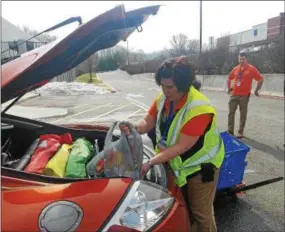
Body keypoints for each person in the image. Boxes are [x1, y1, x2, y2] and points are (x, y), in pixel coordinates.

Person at [121, 57, 225, 232]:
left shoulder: (199, 109)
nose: (165, 91)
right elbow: (148, 121)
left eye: (170, 87)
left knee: (201, 214)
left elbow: (181, 147)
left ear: (184, 85)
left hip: (200, 168)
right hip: (177, 164)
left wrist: (151, 162)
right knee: (181, 208)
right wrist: (133, 128)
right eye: (162, 86)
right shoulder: (163, 98)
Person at [227, 52, 264, 138]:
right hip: (234, 94)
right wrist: (229, 88)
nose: (241, 61)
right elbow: (229, 77)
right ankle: (230, 131)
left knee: (243, 114)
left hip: (244, 95)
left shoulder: (252, 69)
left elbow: (260, 79)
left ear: (246, 59)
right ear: (238, 59)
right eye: (240, 59)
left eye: (243, 59)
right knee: (231, 113)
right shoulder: (236, 68)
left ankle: (240, 132)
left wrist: (256, 90)